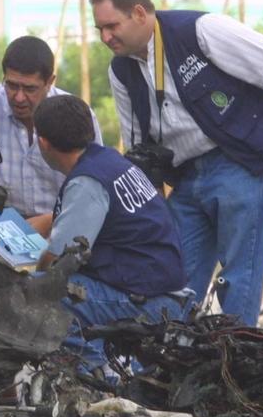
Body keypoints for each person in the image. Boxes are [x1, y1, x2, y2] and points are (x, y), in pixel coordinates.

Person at [90, 0, 263, 327]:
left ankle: (233, 370)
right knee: (170, 278)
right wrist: (150, 212)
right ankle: (169, 372)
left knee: (238, 280)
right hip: (187, 178)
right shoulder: (121, 70)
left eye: (112, 26)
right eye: (100, 29)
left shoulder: (200, 30)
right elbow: (138, 147)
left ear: (140, 13)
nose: (105, 38)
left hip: (242, 162)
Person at [34, 94, 193, 377]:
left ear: (43, 142)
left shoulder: (87, 181)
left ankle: (98, 378)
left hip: (150, 300)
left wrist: (26, 271)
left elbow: (57, 263)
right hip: (165, 292)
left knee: (42, 293)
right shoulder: (110, 161)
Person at [0, 35, 102, 246]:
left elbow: (93, 191)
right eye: (11, 85)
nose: (19, 98)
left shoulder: (77, 115)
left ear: (50, 82)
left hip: (64, 226)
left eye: (30, 89)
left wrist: (48, 221)